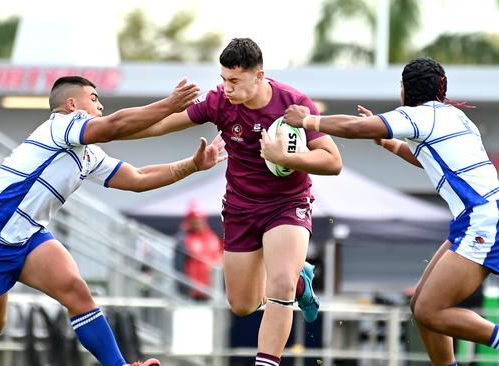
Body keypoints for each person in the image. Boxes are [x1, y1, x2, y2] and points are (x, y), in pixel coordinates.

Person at [0, 75, 225, 366]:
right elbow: (115, 126)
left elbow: (138, 178)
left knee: (77, 291)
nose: (100, 105)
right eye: (94, 98)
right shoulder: (61, 126)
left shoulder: (88, 154)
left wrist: (193, 165)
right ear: (72, 104)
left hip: (27, 238)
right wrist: (170, 104)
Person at [283, 57, 499, 365]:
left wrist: (308, 121)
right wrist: (389, 144)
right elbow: (429, 158)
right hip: (481, 217)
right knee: (421, 306)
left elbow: (356, 127)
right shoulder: (454, 116)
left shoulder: (418, 115)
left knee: (430, 309)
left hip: (487, 219)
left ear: (405, 89)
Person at [125, 38, 342, 365]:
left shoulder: (293, 103)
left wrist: (287, 158)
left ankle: (272, 339)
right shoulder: (218, 101)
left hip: (287, 205)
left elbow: (333, 161)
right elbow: (163, 124)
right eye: (224, 78)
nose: (226, 87)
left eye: (235, 80)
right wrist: (109, 131)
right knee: (242, 305)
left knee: (278, 288)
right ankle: (301, 279)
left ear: (259, 76)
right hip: (240, 209)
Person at [173, 200, 223, 300]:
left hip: (211, 289)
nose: (197, 223)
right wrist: (184, 288)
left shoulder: (211, 237)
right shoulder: (183, 239)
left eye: (200, 219)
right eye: (194, 220)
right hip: (191, 291)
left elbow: (219, 259)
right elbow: (179, 266)